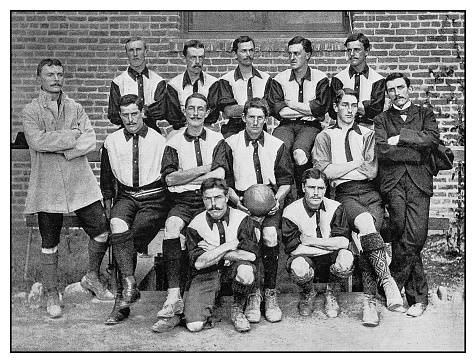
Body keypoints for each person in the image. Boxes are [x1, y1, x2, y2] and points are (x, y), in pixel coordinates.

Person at [22, 58, 112, 318]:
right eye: (50, 74)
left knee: (102, 229)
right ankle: (52, 290)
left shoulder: (76, 107)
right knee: (49, 241)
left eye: (59, 74)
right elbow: (37, 141)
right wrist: (71, 135)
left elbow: (91, 140)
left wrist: (61, 144)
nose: (56, 78)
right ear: (39, 77)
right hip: (47, 186)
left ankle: (92, 277)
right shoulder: (30, 111)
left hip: (79, 184)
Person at [312, 88, 403, 326]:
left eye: (353, 106)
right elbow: (326, 172)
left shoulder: (367, 133)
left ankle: (369, 305)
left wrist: (339, 167)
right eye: (345, 105)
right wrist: (355, 163)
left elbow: (371, 170)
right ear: (336, 107)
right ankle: (387, 281)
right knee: (365, 224)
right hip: (345, 194)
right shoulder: (324, 137)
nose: (350, 110)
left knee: (368, 238)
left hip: (371, 192)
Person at [213, 98, 294, 323]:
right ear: (243, 118)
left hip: (269, 198)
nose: (256, 122)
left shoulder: (277, 144)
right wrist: (236, 201)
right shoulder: (230, 143)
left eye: (260, 118)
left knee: (268, 235)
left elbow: (286, 179)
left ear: (266, 119)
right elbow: (223, 181)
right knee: (250, 239)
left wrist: (276, 200)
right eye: (251, 117)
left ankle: (269, 293)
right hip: (240, 199)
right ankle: (252, 294)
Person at [152, 93, 226, 332]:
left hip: (209, 199)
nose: (195, 113)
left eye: (200, 109)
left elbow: (221, 175)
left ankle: (202, 299)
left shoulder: (217, 138)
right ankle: (173, 295)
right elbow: (170, 178)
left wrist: (188, 174)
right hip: (183, 200)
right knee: (172, 227)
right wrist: (205, 168)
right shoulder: (173, 141)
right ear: (185, 111)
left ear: (207, 113)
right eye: (191, 109)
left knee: (202, 237)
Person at [153, 178, 260, 333]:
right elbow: (199, 263)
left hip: (234, 269)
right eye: (207, 199)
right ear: (202, 199)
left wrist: (214, 251)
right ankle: (207, 306)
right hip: (208, 273)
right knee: (194, 326)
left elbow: (250, 256)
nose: (213, 204)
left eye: (217, 198)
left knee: (246, 272)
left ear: (227, 198)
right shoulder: (196, 224)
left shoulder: (242, 219)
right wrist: (226, 247)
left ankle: (238, 309)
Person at [374, 73, 440, 318]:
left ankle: (390, 283)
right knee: (400, 229)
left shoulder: (425, 114)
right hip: (394, 183)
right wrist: (415, 150)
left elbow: (432, 140)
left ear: (409, 89)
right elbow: (383, 150)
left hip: (419, 183)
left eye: (400, 87)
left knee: (416, 236)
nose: (396, 93)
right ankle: (418, 299)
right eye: (391, 90)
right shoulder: (381, 119)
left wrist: (400, 138)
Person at [100, 94, 168, 325]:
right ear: (119, 116)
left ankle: (121, 302)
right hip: (127, 196)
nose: (130, 119)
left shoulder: (160, 140)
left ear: (143, 113)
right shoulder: (112, 141)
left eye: (134, 114)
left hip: (154, 198)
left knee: (129, 235)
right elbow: (107, 179)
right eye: (125, 115)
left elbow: (167, 175)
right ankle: (129, 284)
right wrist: (108, 207)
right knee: (117, 224)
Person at [282, 168, 354, 318]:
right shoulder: (291, 211)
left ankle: (331, 292)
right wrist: (329, 245)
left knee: (346, 257)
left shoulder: (335, 207)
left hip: (329, 257)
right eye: (311, 187)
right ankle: (308, 293)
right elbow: (294, 249)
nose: (316, 192)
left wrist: (310, 241)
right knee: (298, 266)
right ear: (303, 188)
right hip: (308, 259)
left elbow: (343, 242)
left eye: (320, 188)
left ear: (325, 189)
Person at [267, 36, 330, 200]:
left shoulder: (320, 78)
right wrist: (309, 109)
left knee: (299, 154)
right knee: (278, 149)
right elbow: (279, 112)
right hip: (286, 125)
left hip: (310, 127)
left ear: (308, 54)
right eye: (290, 54)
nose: (292, 58)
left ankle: (304, 196)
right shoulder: (279, 79)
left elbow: (321, 108)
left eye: (297, 53)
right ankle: (283, 196)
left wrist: (292, 104)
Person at [208, 35, 275, 138]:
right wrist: (257, 108)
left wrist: (241, 108)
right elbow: (229, 110)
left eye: (251, 50)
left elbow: (270, 108)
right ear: (235, 54)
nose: (248, 54)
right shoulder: (226, 80)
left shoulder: (266, 79)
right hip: (234, 129)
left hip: (260, 129)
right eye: (243, 51)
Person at [108, 37, 166, 133]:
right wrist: (146, 111)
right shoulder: (118, 82)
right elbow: (113, 115)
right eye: (131, 50)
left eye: (139, 50)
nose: (135, 54)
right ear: (127, 53)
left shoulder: (157, 81)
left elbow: (161, 111)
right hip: (126, 132)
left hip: (151, 131)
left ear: (145, 52)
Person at [329, 33, 385, 127]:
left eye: (357, 50)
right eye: (349, 50)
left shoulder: (377, 80)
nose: (351, 54)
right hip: (343, 126)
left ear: (366, 51)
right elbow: (333, 111)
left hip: (368, 127)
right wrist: (365, 105)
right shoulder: (339, 79)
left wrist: (346, 106)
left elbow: (376, 111)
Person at [166, 40, 218, 131]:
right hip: (182, 131)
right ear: (184, 59)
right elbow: (174, 117)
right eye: (193, 57)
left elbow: (213, 115)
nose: (197, 62)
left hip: (206, 130)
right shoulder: (174, 85)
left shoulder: (212, 83)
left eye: (201, 58)